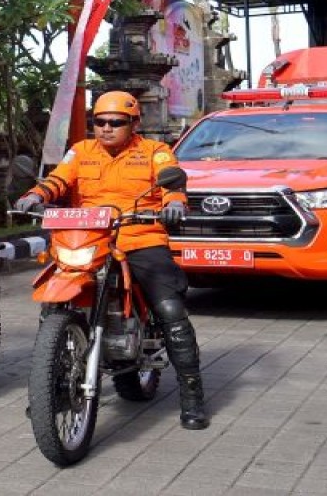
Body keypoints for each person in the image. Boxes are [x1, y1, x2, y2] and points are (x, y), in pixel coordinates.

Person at [13, 90, 209, 430]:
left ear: (134, 123)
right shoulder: (82, 151)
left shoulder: (154, 152)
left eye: (116, 122)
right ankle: (50, 392)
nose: (106, 128)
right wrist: (35, 195)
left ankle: (192, 395)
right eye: (99, 122)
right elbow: (59, 179)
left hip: (139, 237)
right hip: (88, 238)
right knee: (53, 308)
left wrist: (175, 202)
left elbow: (173, 183)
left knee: (170, 310)